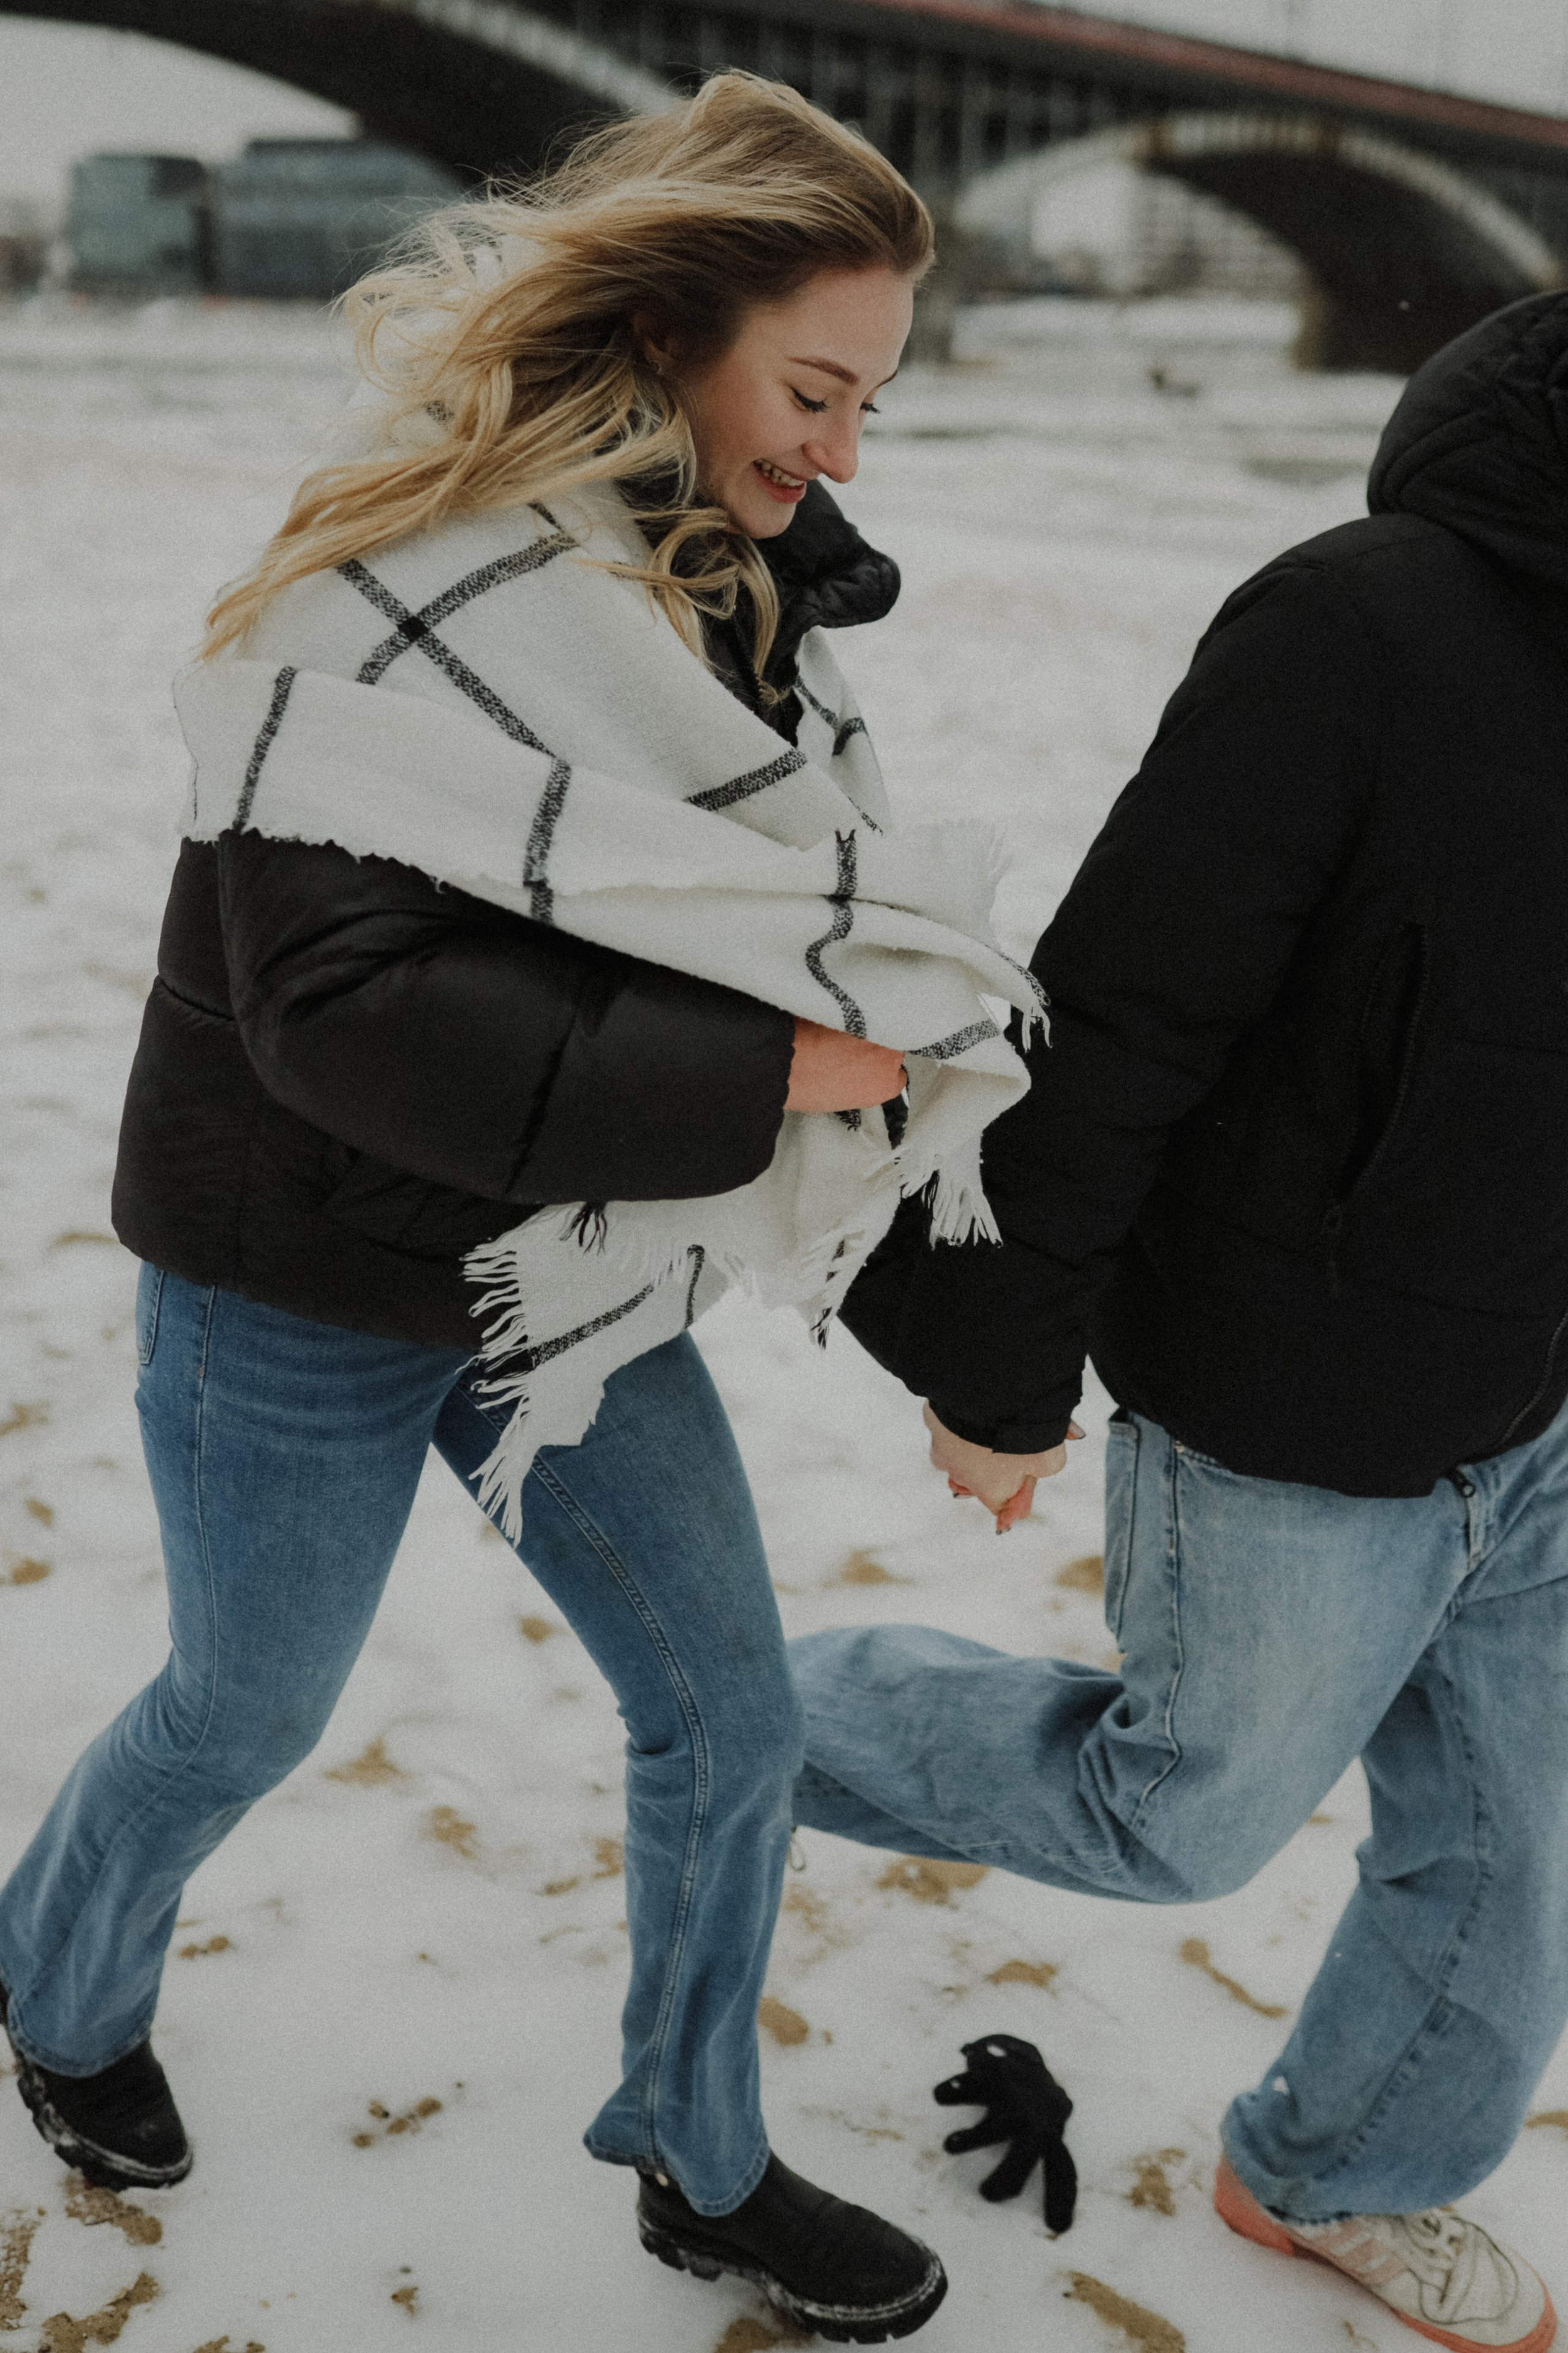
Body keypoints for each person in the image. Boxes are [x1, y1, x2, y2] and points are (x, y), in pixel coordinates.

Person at [0, 75, 1042, 2343]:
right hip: (303, 1263)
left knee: (730, 1716)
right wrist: (772, 1067)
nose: (846, 452)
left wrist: (986, 1327)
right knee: (244, 1708)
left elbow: (745, 903)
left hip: (566, 1264)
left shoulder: (728, 610)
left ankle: (698, 2152)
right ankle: (54, 1988)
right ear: (672, 328)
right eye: (816, 390)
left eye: (873, 403)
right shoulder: (398, 578)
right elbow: (340, 1010)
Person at [792, 292, 1568, 2353]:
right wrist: (996, 1359)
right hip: (1300, 1394)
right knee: (1176, 1816)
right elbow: (1125, 1008)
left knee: (1521, 1853)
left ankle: (1340, 2168)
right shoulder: (1357, 625)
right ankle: (734, 1710)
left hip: (1544, 1401)